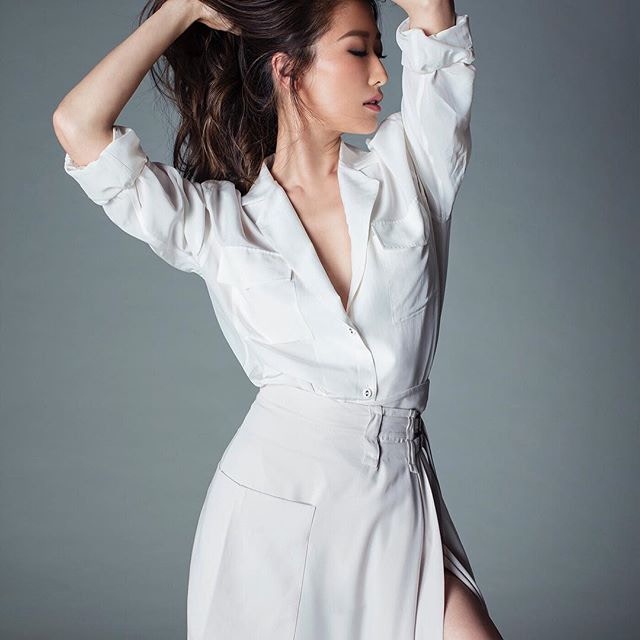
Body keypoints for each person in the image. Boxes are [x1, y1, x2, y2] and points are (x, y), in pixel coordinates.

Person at [53, 0, 503, 637]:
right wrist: (183, 9)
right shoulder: (220, 223)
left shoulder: (411, 171)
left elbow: (434, 20)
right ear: (287, 70)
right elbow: (78, 126)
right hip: (273, 516)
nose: (381, 72)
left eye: (380, 51)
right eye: (358, 50)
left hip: (398, 498)